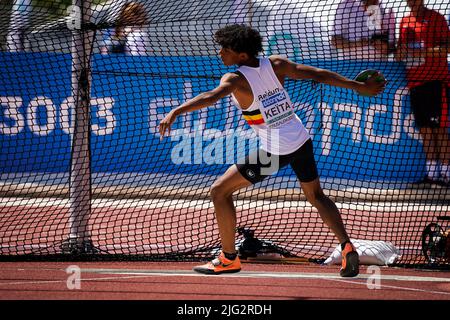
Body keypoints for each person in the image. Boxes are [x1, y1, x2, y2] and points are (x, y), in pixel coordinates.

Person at [159, 24, 385, 277]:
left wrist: (175, 111)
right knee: (317, 196)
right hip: (301, 140)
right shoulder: (276, 64)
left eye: (225, 48)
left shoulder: (235, 78)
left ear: (241, 55)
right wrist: (357, 86)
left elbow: (212, 96)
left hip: (276, 152)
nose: (219, 52)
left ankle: (228, 258)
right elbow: (318, 74)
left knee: (219, 191)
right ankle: (347, 247)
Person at [395, 0, 450, 185]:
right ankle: (432, 175)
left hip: (436, 81)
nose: (412, 2)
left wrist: (419, 53)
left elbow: (446, 49)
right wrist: (400, 54)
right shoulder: (404, 21)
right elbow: (400, 52)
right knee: (425, 130)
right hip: (415, 83)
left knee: (439, 130)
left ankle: (447, 175)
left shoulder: (436, 18)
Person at [331, 0, 396, 60]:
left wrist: (385, 48)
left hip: (379, 66)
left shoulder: (387, 9)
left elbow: (392, 46)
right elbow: (334, 41)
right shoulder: (346, 5)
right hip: (351, 65)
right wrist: (354, 44)